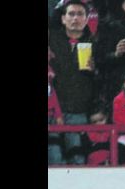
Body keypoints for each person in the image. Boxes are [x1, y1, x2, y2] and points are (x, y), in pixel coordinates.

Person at [48, 0, 98, 165]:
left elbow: (105, 79)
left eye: (80, 14)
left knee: (77, 159)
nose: (75, 18)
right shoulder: (51, 39)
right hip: (52, 110)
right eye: (71, 14)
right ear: (63, 18)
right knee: (54, 158)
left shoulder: (95, 43)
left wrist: (95, 70)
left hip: (79, 110)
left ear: (86, 19)